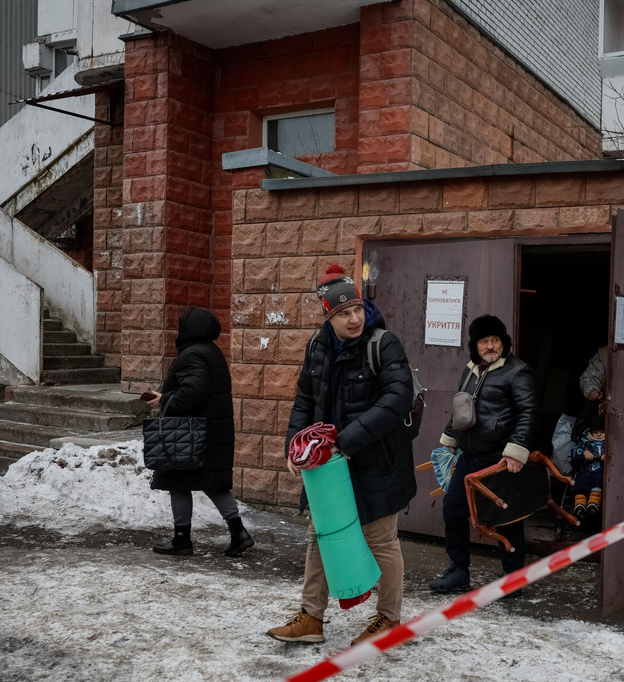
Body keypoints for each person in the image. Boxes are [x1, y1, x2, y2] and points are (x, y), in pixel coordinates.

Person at [267, 264, 416, 646]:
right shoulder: (317, 347)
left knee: (381, 540)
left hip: (378, 461)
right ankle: (311, 618)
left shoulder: (383, 344)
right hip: (329, 465)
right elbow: (304, 400)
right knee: (321, 536)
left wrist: (344, 441)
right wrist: (294, 445)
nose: (354, 318)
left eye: (357, 309)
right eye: (343, 312)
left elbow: (397, 399)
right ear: (328, 315)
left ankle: (389, 619)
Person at [430, 314, 539, 594]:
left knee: (507, 519)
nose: (490, 346)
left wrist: (516, 452)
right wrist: (449, 440)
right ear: (475, 345)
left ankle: (513, 579)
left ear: (504, 342)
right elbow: (461, 409)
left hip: (499, 461)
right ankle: (458, 571)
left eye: (495, 340)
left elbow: (528, 413)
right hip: (469, 459)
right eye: (484, 341)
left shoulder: (518, 372)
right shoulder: (470, 371)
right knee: (453, 510)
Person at [146, 306, 254, 558]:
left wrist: (165, 399)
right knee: (212, 483)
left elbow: (193, 393)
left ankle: (181, 540)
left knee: (177, 481)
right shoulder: (212, 352)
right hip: (211, 432)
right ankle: (239, 532)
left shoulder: (192, 355)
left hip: (189, 434)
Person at [568, 415, 605, 520]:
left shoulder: (608, 444)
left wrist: (608, 455)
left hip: (600, 470)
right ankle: (580, 504)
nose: (598, 434)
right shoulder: (584, 443)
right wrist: (583, 452)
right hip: (584, 470)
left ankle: (594, 503)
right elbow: (574, 452)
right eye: (595, 432)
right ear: (590, 432)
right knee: (579, 480)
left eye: (602, 432)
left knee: (598, 477)